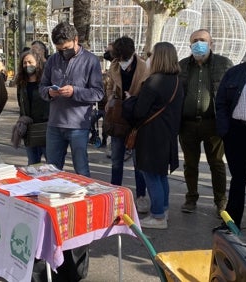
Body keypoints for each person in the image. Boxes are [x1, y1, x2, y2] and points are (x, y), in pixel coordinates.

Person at [38, 21, 104, 282]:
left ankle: (83, 225)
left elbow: (98, 92)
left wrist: (74, 91)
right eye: (59, 49)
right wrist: (51, 93)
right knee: (51, 173)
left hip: (78, 125)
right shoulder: (53, 59)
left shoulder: (91, 61)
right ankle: (50, 219)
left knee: (82, 173)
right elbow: (42, 87)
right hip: (55, 124)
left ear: (76, 40)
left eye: (66, 48)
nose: (63, 52)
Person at [124, 42, 184, 229]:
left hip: (151, 136)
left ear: (158, 58)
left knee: (151, 175)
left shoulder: (154, 81)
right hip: (167, 135)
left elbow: (140, 111)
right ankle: (163, 209)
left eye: (151, 55)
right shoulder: (177, 80)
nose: (148, 59)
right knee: (160, 175)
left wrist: (129, 100)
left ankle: (158, 216)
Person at [179, 29, 233, 215]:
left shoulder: (223, 64)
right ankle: (191, 198)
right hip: (187, 124)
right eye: (195, 40)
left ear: (211, 43)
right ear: (189, 44)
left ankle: (220, 202)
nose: (198, 43)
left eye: (202, 40)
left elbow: (230, 95)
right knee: (190, 164)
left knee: (216, 164)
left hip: (213, 123)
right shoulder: (183, 66)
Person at [215, 28, 246, 232]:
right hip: (238, 132)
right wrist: (225, 129)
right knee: (238, 179)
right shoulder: (236, 72)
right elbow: (221, 102)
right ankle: (231, 224)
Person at [104, 36, 148, 199]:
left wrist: (133, 99)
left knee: (139, 163)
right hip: (118, 118)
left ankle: (141, 196)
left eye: (125, 58)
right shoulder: (115, 65)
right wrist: (110, 98)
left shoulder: (143, 68)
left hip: (136, 119)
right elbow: (109, 85)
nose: (122, 61)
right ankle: (115, 193)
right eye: (119, 58)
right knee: (116, 160)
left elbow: (147, 94)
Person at [15, 50, 49, 164]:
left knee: (52, 163)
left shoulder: (46, 81)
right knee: (32, 163)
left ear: (38, 63)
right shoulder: (22, 83)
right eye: (25, 63)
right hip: (29, 128)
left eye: (30, 62)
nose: (27, 65)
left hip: (45, 127)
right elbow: (21, 103)